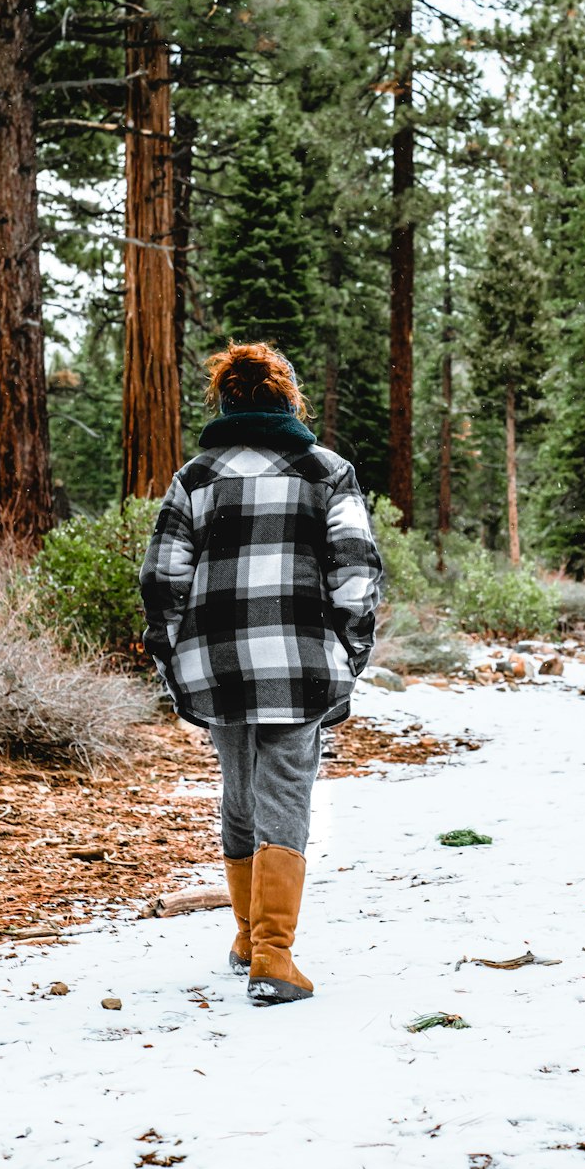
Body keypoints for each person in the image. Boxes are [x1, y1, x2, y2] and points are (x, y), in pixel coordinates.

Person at [139, 341, 383, 1006]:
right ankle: (274, 956)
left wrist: (174, 661)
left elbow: (160, 581)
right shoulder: (326, 471)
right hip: (300, 664)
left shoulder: (196, 476)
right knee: (286, 793)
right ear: (288, 397)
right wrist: (348, 656)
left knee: (239, 788)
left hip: (217, 666)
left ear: (226, 398)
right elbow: (357, 576)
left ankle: (249, 938)